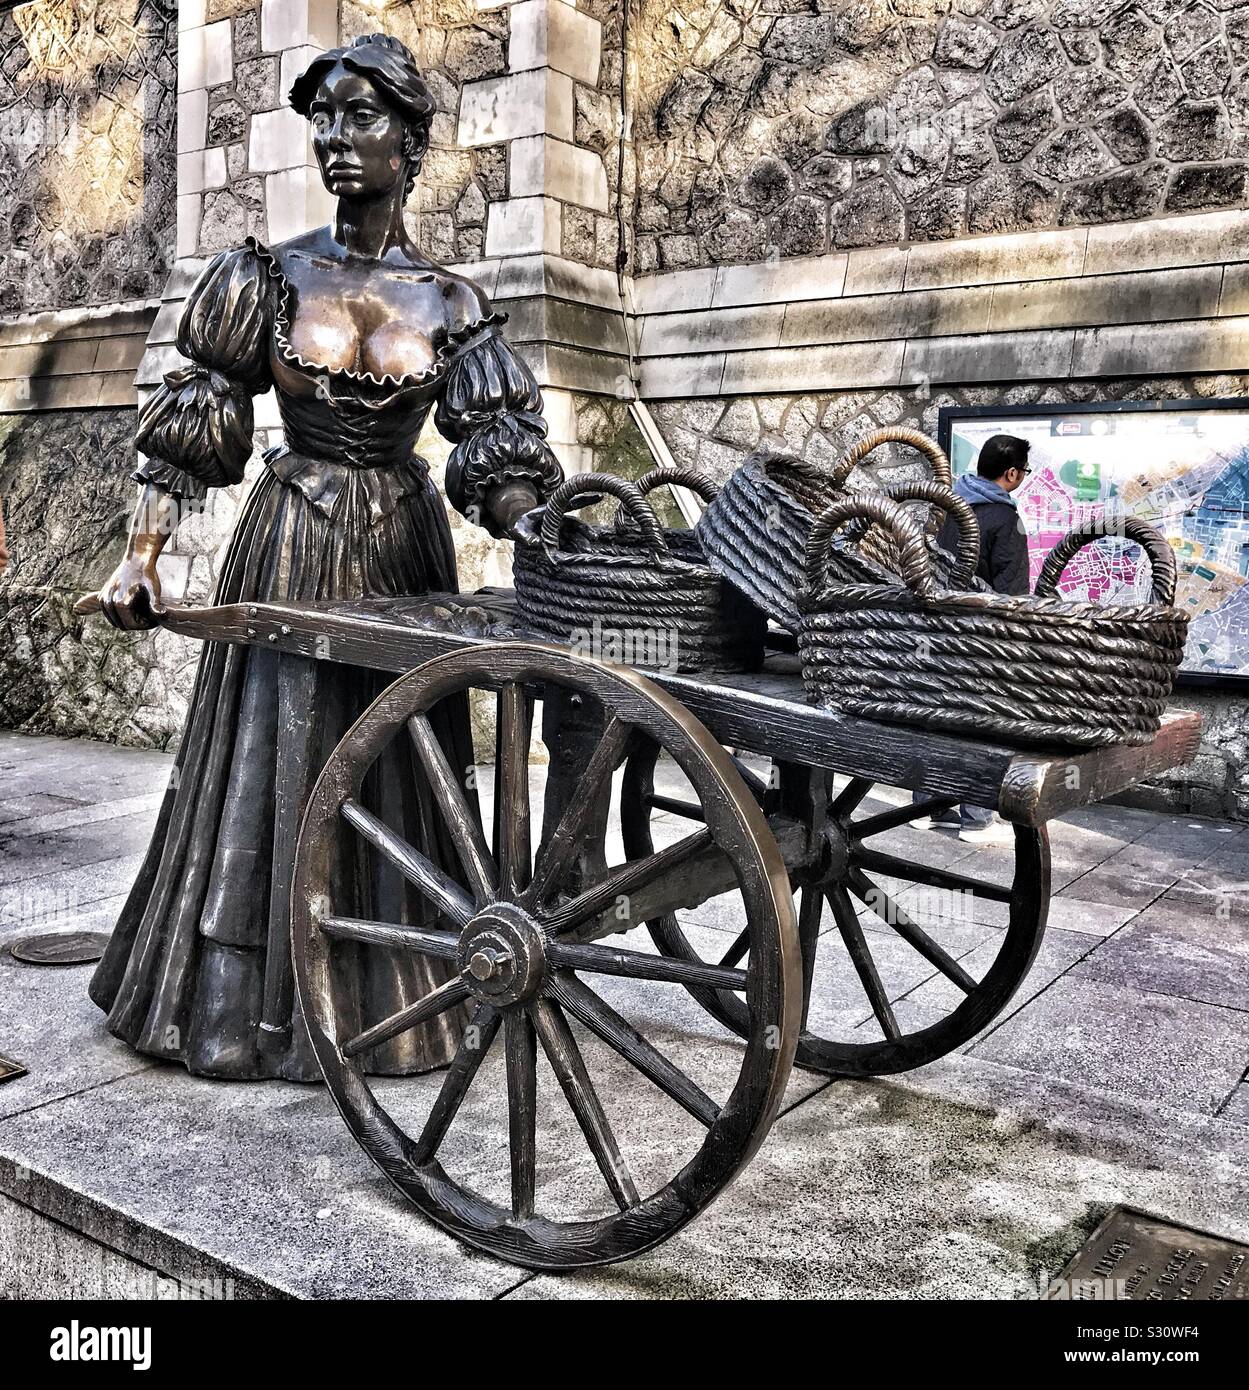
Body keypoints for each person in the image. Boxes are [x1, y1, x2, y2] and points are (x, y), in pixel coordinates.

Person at [75, 34, 563, 1080]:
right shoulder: (265, 275)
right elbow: (195, 416)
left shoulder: (452, 302)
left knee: (393, 765)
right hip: (290, 536)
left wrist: (538, 526)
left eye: (364, 117)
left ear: (414, 143)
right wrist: (142, 557)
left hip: (402, 550)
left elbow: (495, 450)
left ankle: (389, 995)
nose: (338, 139)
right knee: (272, 762)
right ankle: (245, 1009)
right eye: (325, 118)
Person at [921, 433, 1031, 846]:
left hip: (943, 630)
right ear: (1012, 473)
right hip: (985, 638)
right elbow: (1013, 591)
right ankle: (976, 816)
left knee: (939, 717)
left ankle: (930, 806)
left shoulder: (954, 506)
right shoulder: (1005, 519)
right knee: (983, 724)